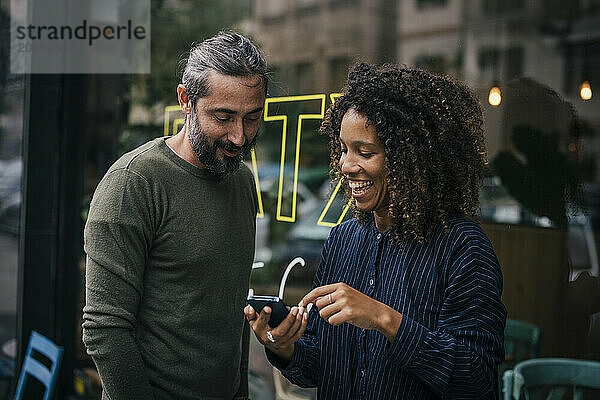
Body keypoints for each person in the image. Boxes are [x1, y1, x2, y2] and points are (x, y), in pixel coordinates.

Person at [245, 63, 507, 399]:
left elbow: (477, 382)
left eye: (365, 152)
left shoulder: (463, 248)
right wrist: (284, 346)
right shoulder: (342, 241)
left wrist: (384, 319)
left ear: (411, 158)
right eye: (342, 149)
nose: (346, 165)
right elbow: (322, 367)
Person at [82, 31, 267, 400]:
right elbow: (105, 329)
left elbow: (232, 310)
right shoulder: (133, 183)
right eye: (223, 117)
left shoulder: (242, 180)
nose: (239, 136)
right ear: (186, 99)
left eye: (252, 118)